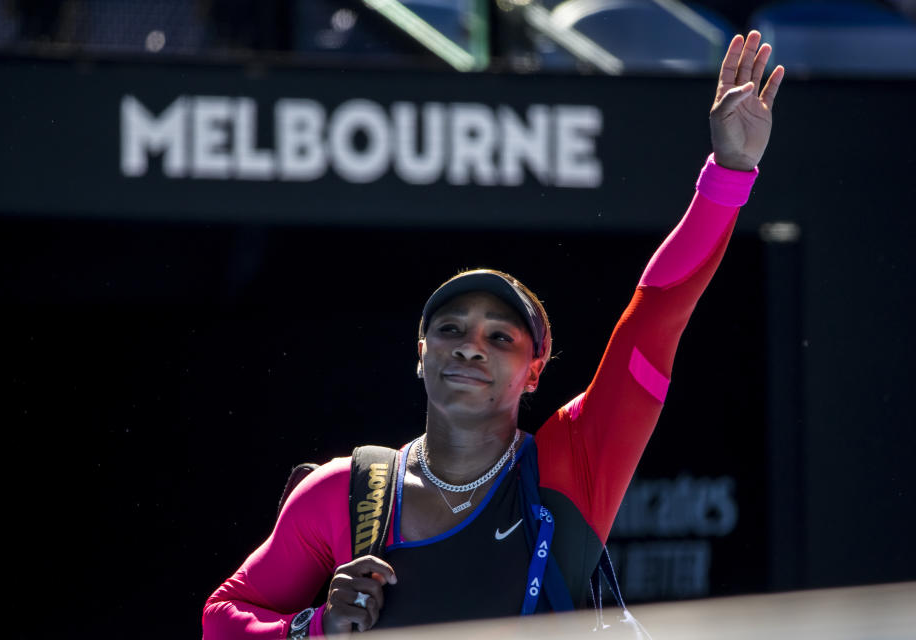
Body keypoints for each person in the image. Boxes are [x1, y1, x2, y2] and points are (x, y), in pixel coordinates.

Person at [202, 31, 785, 638]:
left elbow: (656, 314)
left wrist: (730, 172)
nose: (471, 345)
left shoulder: (573, 461)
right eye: (450, 329)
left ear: (536, 370)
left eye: (501, 338)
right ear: (421, 355)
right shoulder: (343, 492)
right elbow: (220, 620)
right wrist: (310, 628)